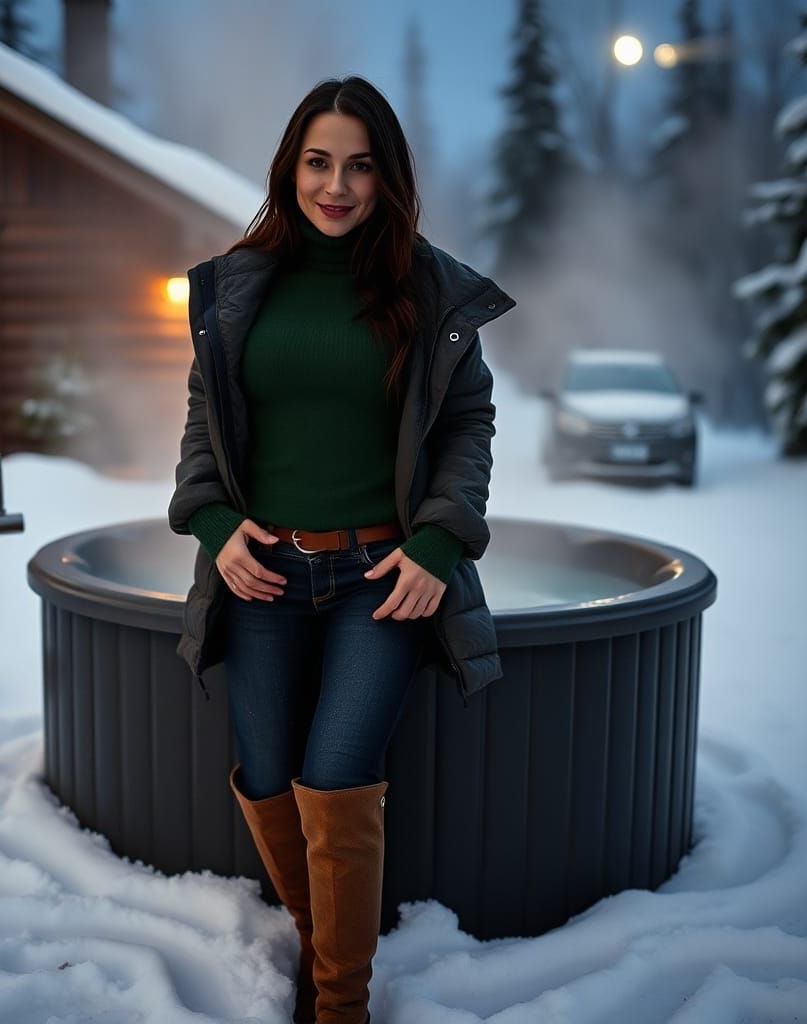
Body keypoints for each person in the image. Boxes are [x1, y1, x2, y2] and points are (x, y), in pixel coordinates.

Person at [167, 76, 515, 1024]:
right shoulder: (240, 285)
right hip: (262, 574)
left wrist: (439, 542)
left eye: (360, 165)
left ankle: (339, 1003)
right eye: (318, 162)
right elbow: (207, 425)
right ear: (290, 170)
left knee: (336, 779)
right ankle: (326, 943)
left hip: (380, 580)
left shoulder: (427, 286)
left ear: (388, 176)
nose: (337, 185)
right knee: (270, 775)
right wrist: (210, 524)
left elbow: (469, 425)